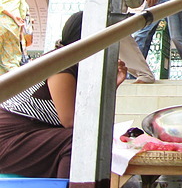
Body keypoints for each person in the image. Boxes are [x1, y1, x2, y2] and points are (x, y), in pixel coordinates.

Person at [0, 11, 127, 178]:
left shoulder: (75, 63)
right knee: (78, 140)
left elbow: (86, 111)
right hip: (8, 140)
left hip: (26, 136)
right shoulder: (62, 64)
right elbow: (71, 121)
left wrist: (111, 86)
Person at [0, 0, 28, 75]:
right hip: (13, 26)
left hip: (2, 22)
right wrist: (20, 26)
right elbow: (23, 7)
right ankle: (14, 90)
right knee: (11, 61)